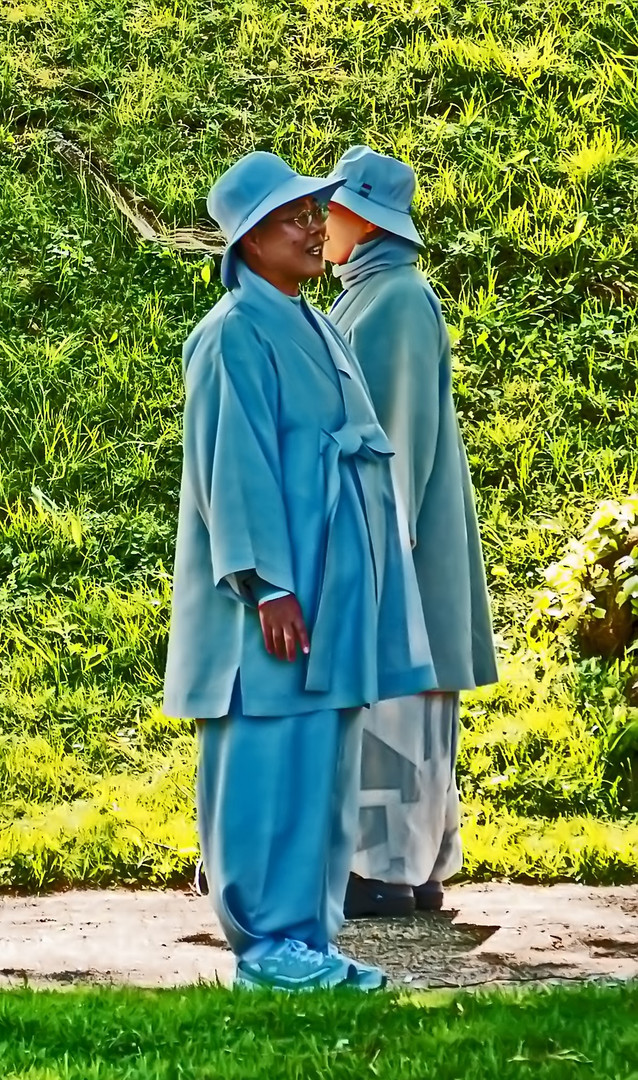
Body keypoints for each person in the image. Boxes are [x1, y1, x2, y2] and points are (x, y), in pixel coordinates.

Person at [165, 151, 436, 990]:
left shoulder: (313, 321)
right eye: (296, 219)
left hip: (336, 587)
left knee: (323, 767)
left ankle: (310, 938)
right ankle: (266, 943)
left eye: (318, 213)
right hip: (276, 599)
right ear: (249, 240)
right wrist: (267, 585)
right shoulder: (230, 335)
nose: (317, 228)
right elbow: (231, 470)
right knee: (265, 760)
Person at [323, 146, 498, 918]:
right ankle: (411, 866)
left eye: (329, 209)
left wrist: (378, 545)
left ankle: (386, 869)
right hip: (400, 546)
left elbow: (397, 431)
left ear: (361, 219)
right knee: (403, 706)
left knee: (395, 703)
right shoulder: (379, 294)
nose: (319, 223)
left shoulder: (394, 299)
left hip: (399, 549)